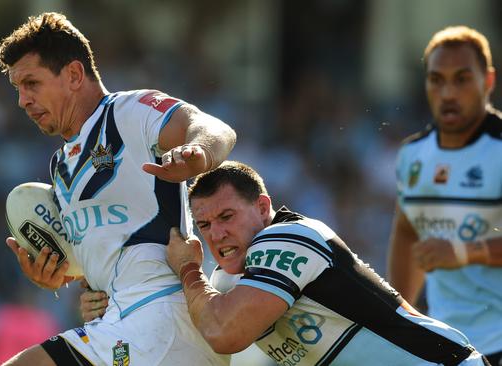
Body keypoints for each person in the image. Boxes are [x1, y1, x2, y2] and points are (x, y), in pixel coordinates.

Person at [0, 12, 236, 366]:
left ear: (75, 75)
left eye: (32, 83)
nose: (22, 100)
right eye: (18, 88)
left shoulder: (128, 113)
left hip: (164, 315)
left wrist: (199, 152)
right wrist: (59, 276)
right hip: (126, 322)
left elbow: (213, 127)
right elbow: (110, 248)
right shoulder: (61, 166)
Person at [160, 161, 487, 365]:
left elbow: (225, 333)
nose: (216, 234)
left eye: (226, 216)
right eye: (204, 226)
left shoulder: (289, 236)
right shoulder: (223, 285)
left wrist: (189, 269)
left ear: (262, 208)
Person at [386, 25, 502, 364]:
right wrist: (399, 322)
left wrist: (466, 252)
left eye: (462, 79)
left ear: (488, 81)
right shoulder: (412, 155)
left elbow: (452, 251)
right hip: (445, 344)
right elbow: (408, 230)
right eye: (437, 79)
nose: (448, 92)